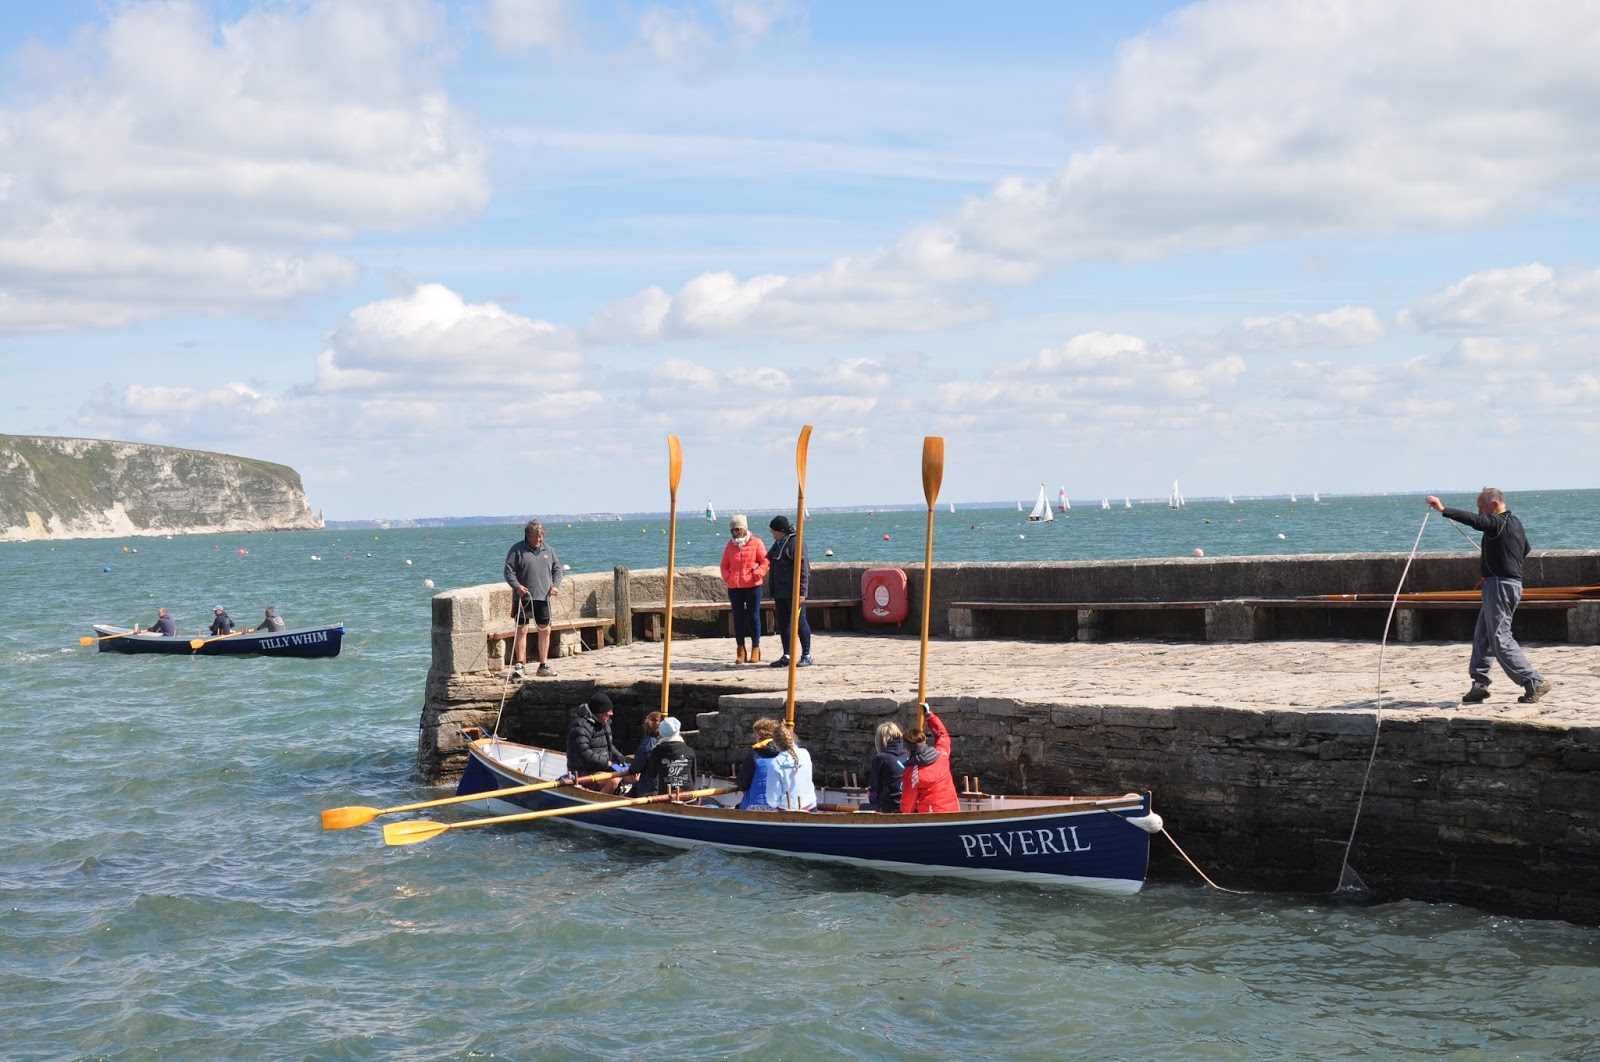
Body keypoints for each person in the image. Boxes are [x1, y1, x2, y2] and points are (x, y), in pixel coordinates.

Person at [1426, 490, 1552, 704]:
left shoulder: (1497, 521)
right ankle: (1479, 685)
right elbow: (1525, 549)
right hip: (1500, 584)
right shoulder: (1516, 523)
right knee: (1483, 636)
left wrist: (1443, 509)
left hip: (1500, 586)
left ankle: (1534, 681)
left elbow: (1476, 521)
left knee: (1500, 638)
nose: (1479, 512)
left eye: (1481, 508)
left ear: (1494, 505)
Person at [504, 520, 563, 680]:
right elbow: (508, 572)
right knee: (522, 629)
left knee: (545, 630)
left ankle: (543, 665)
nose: (539, 539)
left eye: (541, 536)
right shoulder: (516, 550)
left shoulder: (548, 550)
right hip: (523, 598)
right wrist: (517, 586)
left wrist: (555, 586)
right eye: (536, 537)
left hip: (543, 597)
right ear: (528, 536)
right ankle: (520, 665)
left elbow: (557, 569)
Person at [720, 513, 769, 665]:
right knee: (738, 618)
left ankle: (756, 648)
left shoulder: (756, 543)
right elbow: (724, 565)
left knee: (754, 617)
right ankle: (740, 649)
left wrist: (757, 574)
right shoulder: (730, 545)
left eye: (738, 529)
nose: (735, 532)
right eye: (733, 530)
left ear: (744, 528)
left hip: (753, 586)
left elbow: (765, 562)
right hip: (735, 587)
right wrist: (729, 578)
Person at [766, 514, 812, 668]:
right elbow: (767, 559)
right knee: (784, 623)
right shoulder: (778, 543)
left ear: (780, 530)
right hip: (780, 592)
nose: (771, 533)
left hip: (794, 593)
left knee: (800, 621)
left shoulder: (796, 543)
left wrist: (802, 592)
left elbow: (804, 570)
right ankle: (787, 654)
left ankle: (806, 655)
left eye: (773, 531)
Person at [565, 692, 628, 794]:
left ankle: (629, 798)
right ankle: (599, 800)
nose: (611, 714)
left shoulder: (604, 724)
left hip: (602, 768)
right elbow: (583, 753)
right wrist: (606, 763)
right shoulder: (580, 727)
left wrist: (619, 757)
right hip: (583, 771)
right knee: (614, 781)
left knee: (635, 777)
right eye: (609, 711)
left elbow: (609, 745)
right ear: (600, 712)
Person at [901, 706, 959, 813]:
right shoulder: (942, 754)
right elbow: (942, 735)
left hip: (931, 816)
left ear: (907, 749)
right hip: (953, 811)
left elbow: (907, 808)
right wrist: (930, 716)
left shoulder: (912, 773)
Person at [639, 715, 697, 799]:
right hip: (689, 797)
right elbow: (694, 776)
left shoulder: (657, 752)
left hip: (666, 797)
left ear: (661, 731)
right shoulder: (689, 751)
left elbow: (651, 774)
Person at [737, 717, 784, 810]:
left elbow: (743, 783)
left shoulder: (754, 756)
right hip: (782, 807)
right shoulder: (786, 754)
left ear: (759, 737)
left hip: (757, 807)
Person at [770, 723, 817, 812]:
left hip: (786, 810)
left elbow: (773, 798)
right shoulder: (805, 754)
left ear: (775, 743)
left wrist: (774, 804)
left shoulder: (776, 762)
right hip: (810, 807)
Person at [864, 721, 907, 812]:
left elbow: (875, 786)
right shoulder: (908, 753)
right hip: (908, 803)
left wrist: (871, 789)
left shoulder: (881, 758)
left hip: (890, 806)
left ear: (879, 739)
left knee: (865, 804)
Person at [624, 711, 663, 796]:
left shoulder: (648, 742)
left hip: (650, 788)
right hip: (665, 787)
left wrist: (631, 771)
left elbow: (637, 765)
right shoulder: (670, 742)